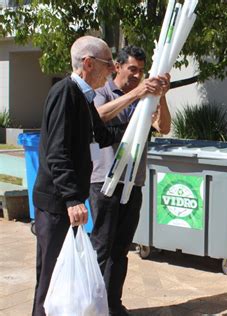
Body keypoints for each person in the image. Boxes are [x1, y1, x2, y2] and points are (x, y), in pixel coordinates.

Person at [32, 35, 126, 316]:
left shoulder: (84, 97)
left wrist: (142, 126)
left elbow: (103, 135)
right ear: (88, 63)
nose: (112, 71)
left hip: (67, 201)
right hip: (57, 202)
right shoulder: (66, 93)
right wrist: (73, 199)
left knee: (63, 279)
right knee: (51, 277)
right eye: (109, 64)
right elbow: (57, 152)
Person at [89, 45, 171, 316]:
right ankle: (93, 307)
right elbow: (99, 117)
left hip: (132, 181)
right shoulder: (101, 94)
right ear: (118, 67)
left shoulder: (146, 99)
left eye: (140, 71)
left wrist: (161, 96)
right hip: (104, 181)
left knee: (121, 249)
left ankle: (113, 304)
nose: (136, 75)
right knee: (102, 246)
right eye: (131, 69)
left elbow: (164, 127)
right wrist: (139, 93)